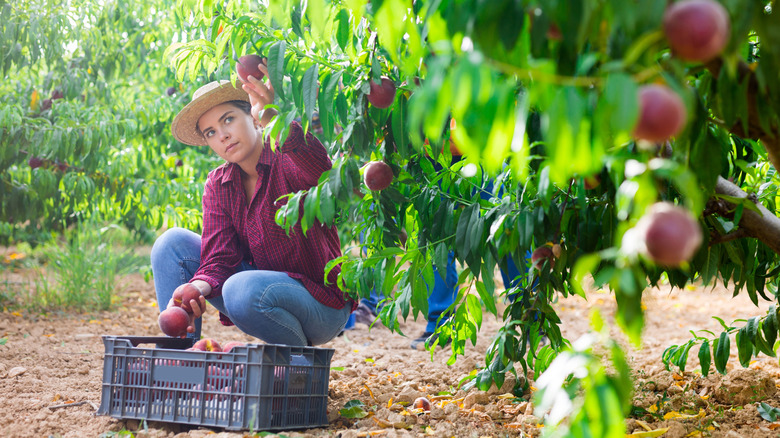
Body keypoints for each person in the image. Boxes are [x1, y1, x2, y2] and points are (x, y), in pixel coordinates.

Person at [150, 63, 354, 347]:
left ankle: (296, 366)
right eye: (210, 132)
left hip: (321, 303)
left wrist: (274, 119)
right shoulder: (218, 184)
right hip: (258, 293)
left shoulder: (286, 155)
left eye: (228, 119)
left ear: (252, 115)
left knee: (239, 288)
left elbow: (322, 171)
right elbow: (219, 257)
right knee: (170, 244)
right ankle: (182, 358)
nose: (222, 135)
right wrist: (195, 289)